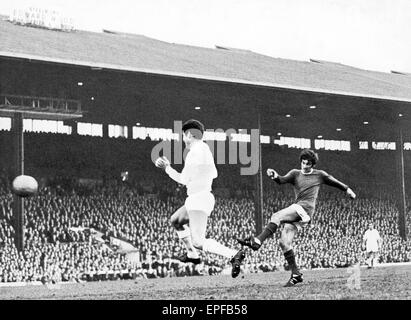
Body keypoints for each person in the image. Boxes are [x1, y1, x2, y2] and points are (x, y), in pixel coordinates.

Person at [236, 149, 356, 286]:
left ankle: (258, 240)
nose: (304, 166)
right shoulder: (295, 173)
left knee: (277, 215)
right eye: (303, 162)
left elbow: (334, 182)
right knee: (284, 242)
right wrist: (275, 176)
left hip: (305, 208)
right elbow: (281, 180)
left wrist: (348, 190)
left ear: (313, 165)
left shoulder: (319, 175)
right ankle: (296, 273)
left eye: (308, 164)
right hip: (299, 212)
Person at [155, 119, 245, 278]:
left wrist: (167, 168)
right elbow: (214, 173)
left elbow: (183, 180)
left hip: (199, 198)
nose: (183, 139)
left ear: (190, 134)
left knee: (198, 241)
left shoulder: (195, 152)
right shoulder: (205, 150)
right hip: (199, 197)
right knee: (176, 220)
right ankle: (192, 255)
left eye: (184, 136)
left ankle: (233, 254)